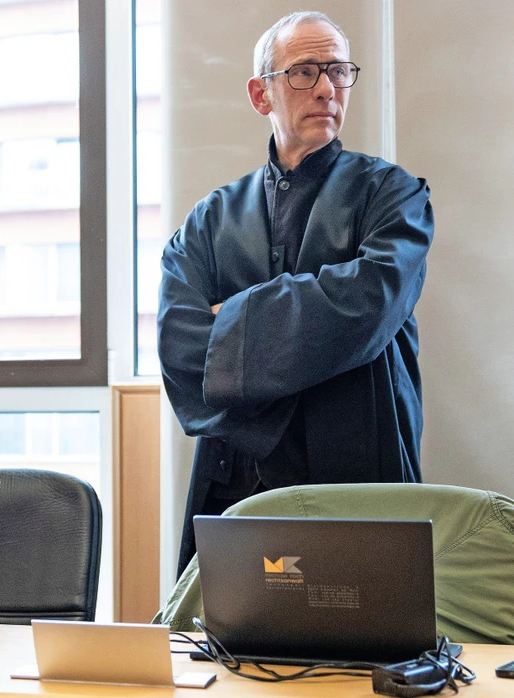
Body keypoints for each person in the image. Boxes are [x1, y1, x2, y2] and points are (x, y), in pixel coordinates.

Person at [158, 12, 434, 574]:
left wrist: (231, 320)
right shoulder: (209, 220)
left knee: (367, 647)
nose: (328, 88)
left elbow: (366, 305)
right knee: (232, 651)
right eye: (306, 71)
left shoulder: (394, 197)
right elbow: (181, 348)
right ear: (262, 94)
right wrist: (308, 339)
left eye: (338, 71)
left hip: (359, 476)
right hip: (234, 484)